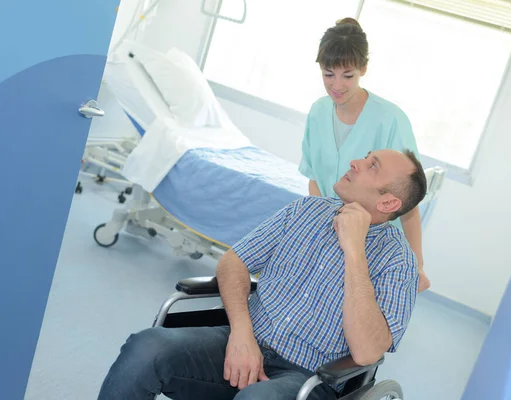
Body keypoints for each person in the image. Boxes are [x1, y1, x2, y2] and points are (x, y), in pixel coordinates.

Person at [97, 149, 427, 400]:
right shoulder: (305, 211)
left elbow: (369, 352)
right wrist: (241, 334)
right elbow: (234, 261)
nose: (356, 162)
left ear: (387, 203)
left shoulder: (399, 263)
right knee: (146, 347)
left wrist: (355, 250)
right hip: (239, 342)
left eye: (372, 166)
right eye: (365, 157)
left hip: (308, 378)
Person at [299, 17, 431, 292]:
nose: (336, 85)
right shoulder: (318, 111)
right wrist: (319, 227)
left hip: (375, 242)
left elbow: (406, 198)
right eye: (328, 74)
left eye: (347, 76)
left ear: (363, 69)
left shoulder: (390, 119)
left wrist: (417, 264)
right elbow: (314, 178)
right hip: (330, 235)